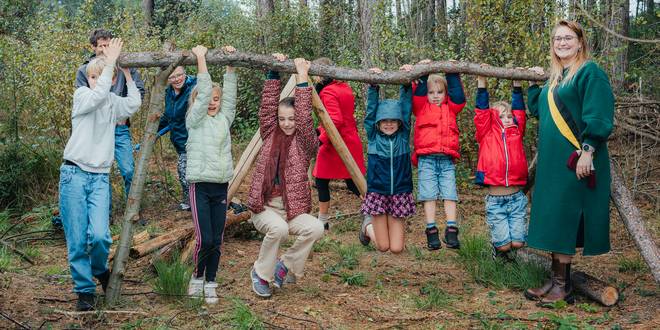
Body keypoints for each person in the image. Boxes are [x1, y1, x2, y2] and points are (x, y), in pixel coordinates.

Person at [524, 20, 614, 305]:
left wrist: (588, 150)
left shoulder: (590, 72)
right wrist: (530, 84)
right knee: (554, 217)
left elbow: (599, 114)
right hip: (553, 162)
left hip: (574, 159)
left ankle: (562, 286)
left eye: (567, 38)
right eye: (557, 39)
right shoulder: (556, 77)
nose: (561, 43)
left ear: (580, 42)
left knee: (565, 218)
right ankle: (555, 281)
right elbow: (540, 110)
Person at [60, 38, 141, 311]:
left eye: (101, 76)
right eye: (92, 76)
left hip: (99, 178)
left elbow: (133, 104)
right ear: (88, 78)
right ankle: (84, 290)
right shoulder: (82, 96)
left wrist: (128, 75)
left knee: (100, 236)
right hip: (74, 174)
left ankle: (98, 269)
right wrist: (108, 65)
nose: (96, 80)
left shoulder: (111, 101)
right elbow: (96, 95)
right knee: (77, 237)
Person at [247, 54, 324, 298]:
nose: (286, 123)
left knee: (315, 227)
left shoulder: (306, 142)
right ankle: (261, 273)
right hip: (265, 208)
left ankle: (286, 265)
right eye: (282, 119)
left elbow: (303, 118)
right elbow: (267, 107)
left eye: (291, 119)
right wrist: (273, 71)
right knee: (278, 229)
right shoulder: (269, 132)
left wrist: (303, 79)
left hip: (291, 209)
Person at [184, 45, 238, 304]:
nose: (212, 103)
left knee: (216, 239)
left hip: (220, 184)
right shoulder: (194, 120)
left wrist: (230, 64)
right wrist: (202, 59)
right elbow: (204, 93)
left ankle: (211, 282)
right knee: (204, 237)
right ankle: (197, 277)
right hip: (200, 186)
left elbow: (230, 99)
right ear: (197, 102)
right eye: (208, 100)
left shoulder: (224, 119)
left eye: (216, 99)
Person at [402, 60, 466, 250]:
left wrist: (451, 72)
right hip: (427, 160)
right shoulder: (421, 107)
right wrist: (423, 73)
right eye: (431, 92)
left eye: (440, 92)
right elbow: (419, 93)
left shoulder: (451, 108)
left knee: (450, 194)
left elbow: (459, 96)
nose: (435, 96)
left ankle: (452, 229)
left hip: (446, 159)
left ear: (446, 94)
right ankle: (431, 230)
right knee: (428, 194)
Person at [75, 29, 145, 200]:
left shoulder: (124, 66)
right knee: (100, 172)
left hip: (119, 129)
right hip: (96, 130)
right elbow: (87, 98)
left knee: (129, 170)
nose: (105, 49)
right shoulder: (85, 70)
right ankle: (106, 214)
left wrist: (123, 115)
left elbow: (139, 92)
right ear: (93, 47)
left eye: (108, 45)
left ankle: (132, 210)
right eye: (101, 46)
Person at [357, 67, 416, 254]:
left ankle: (373, 224)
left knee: (397, 249)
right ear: (378, 123)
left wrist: (406, 83)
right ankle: (367, 226)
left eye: (393, 120)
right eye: (384, 120)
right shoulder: (374, 137)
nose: (389, 123)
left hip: (399, 193)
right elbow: (371, 112)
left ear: (399, 122)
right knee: (383, 247)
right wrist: (374, 86)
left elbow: (406, 109)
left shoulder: (404, 137)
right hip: (378, 193)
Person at [474, 74, 528, 261]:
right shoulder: (487, 133)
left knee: (518, 242)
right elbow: (481, 113)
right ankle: (497, 251)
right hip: (496, 201)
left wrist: (517, 86)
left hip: (516, 199)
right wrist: (482, 84)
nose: (506, 119)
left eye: (508, 115)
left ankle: (512, 258)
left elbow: (520, 112)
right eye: (501, 116)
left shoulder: (516, 132)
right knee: (504, 245)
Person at [311, 57, 366, 230]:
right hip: (347, 139)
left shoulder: (328, 92)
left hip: (336, 142)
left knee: (323, 180)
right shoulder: (343, 87)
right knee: (349, 181)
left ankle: (323, 220)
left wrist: (322, 139)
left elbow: (335, 120)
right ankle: (372, 209)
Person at [157, 62, 198, 211]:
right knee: (185, 173)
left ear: (185, 73)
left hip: (193, 140)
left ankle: (195, 203)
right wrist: (154, 131)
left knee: (184, 171)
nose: (176, 79)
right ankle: (190, 202)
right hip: (179, 141)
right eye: (172, 77)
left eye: (179, 75)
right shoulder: (169, 93)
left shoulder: (193, 87)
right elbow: (168, 116)